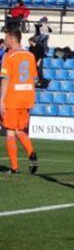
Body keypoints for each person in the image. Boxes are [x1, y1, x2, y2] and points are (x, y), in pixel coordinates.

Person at [0, 27, 39, 174]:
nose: (4, 40)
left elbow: (5, 79)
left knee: (10, 132)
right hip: (27, 97)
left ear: (11, 39)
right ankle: (31, 153)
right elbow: (34, 78)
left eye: (5, 37)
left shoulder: (8, 56)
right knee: (19, 130)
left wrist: (1, 101)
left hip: (13, 97)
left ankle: (14, 168)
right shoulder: (30, 55)